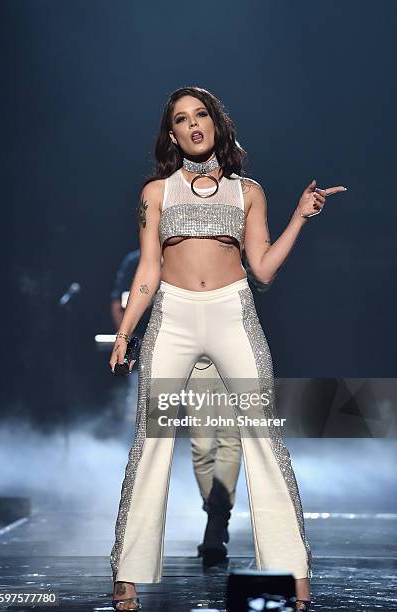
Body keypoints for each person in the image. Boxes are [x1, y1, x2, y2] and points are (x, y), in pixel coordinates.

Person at [108, 86, 347, 611]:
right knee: (151, 444)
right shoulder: (156, 193)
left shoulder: (249, 192)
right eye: (181, 120)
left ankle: (295, 573)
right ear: (171, 134)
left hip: (232, 312)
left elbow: (261, 271)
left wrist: (300, 218)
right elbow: (148, 270)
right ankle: (126, 573)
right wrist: (126, 331)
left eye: (201, 115)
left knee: (263, 441)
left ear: (216, 123)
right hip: (170, 316)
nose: (193, 125)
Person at [110, 248, 271, 567]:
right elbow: (131, 293)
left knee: (230, 437)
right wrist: (125, 335)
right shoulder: (156, 249)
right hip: (184, 345)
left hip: (234, 339)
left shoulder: (233, 234)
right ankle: (215, 512)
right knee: (201, 443)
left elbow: (262, 277)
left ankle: (215, 524)